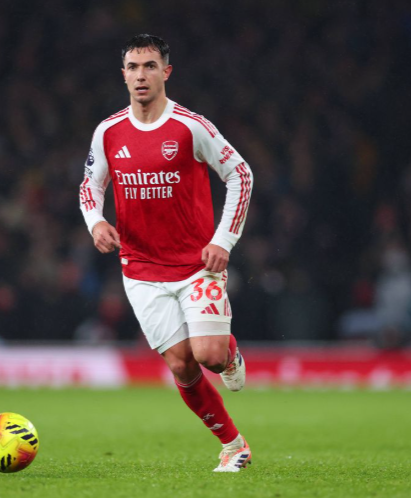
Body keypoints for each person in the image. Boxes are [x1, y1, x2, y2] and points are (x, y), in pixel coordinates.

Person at [79, 34, 254, 472]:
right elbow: (90, 186)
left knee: (209, 355)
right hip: (140, 269)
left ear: (166, 72)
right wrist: (96, 221)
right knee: (182, 365)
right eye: (133, 67)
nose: (141, 75)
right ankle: (234, 445)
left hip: (197, 265)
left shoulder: (191, 127)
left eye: (150, 66)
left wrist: (223, 240)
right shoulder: (108, 132)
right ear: (123, 75)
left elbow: (241, 175)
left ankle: (228, 353)